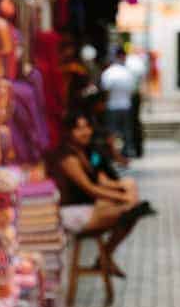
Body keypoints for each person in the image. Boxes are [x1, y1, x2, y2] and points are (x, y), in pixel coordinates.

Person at [56, 112, 151, 278]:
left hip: (88, 208)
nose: (85, 132)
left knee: (131, 207)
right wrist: (121, 198)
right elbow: (90, 188)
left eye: (87, 127)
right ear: (69, 132)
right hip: (72, 212)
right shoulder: (68, 157)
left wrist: (122, 189)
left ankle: (105, 255)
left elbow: (101, 181)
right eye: (79, 129)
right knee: (128, 212)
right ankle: (106, 255)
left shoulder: (85, 152)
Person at [101, 46, 137, 158]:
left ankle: (114, 153)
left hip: (112, 106)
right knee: (126, 131)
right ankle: (126, 151)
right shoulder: (128, 73)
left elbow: (105, 90)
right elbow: (132, 91)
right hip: (126, 105)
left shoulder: (108, 73)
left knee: (112, 132)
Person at [125, 45, 147, 159]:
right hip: (134, 95)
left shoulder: (129, 62)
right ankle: (137, 149)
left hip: (130, 95)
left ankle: (131, 148)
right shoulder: (138, 62)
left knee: (130, 123)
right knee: (134, 123)